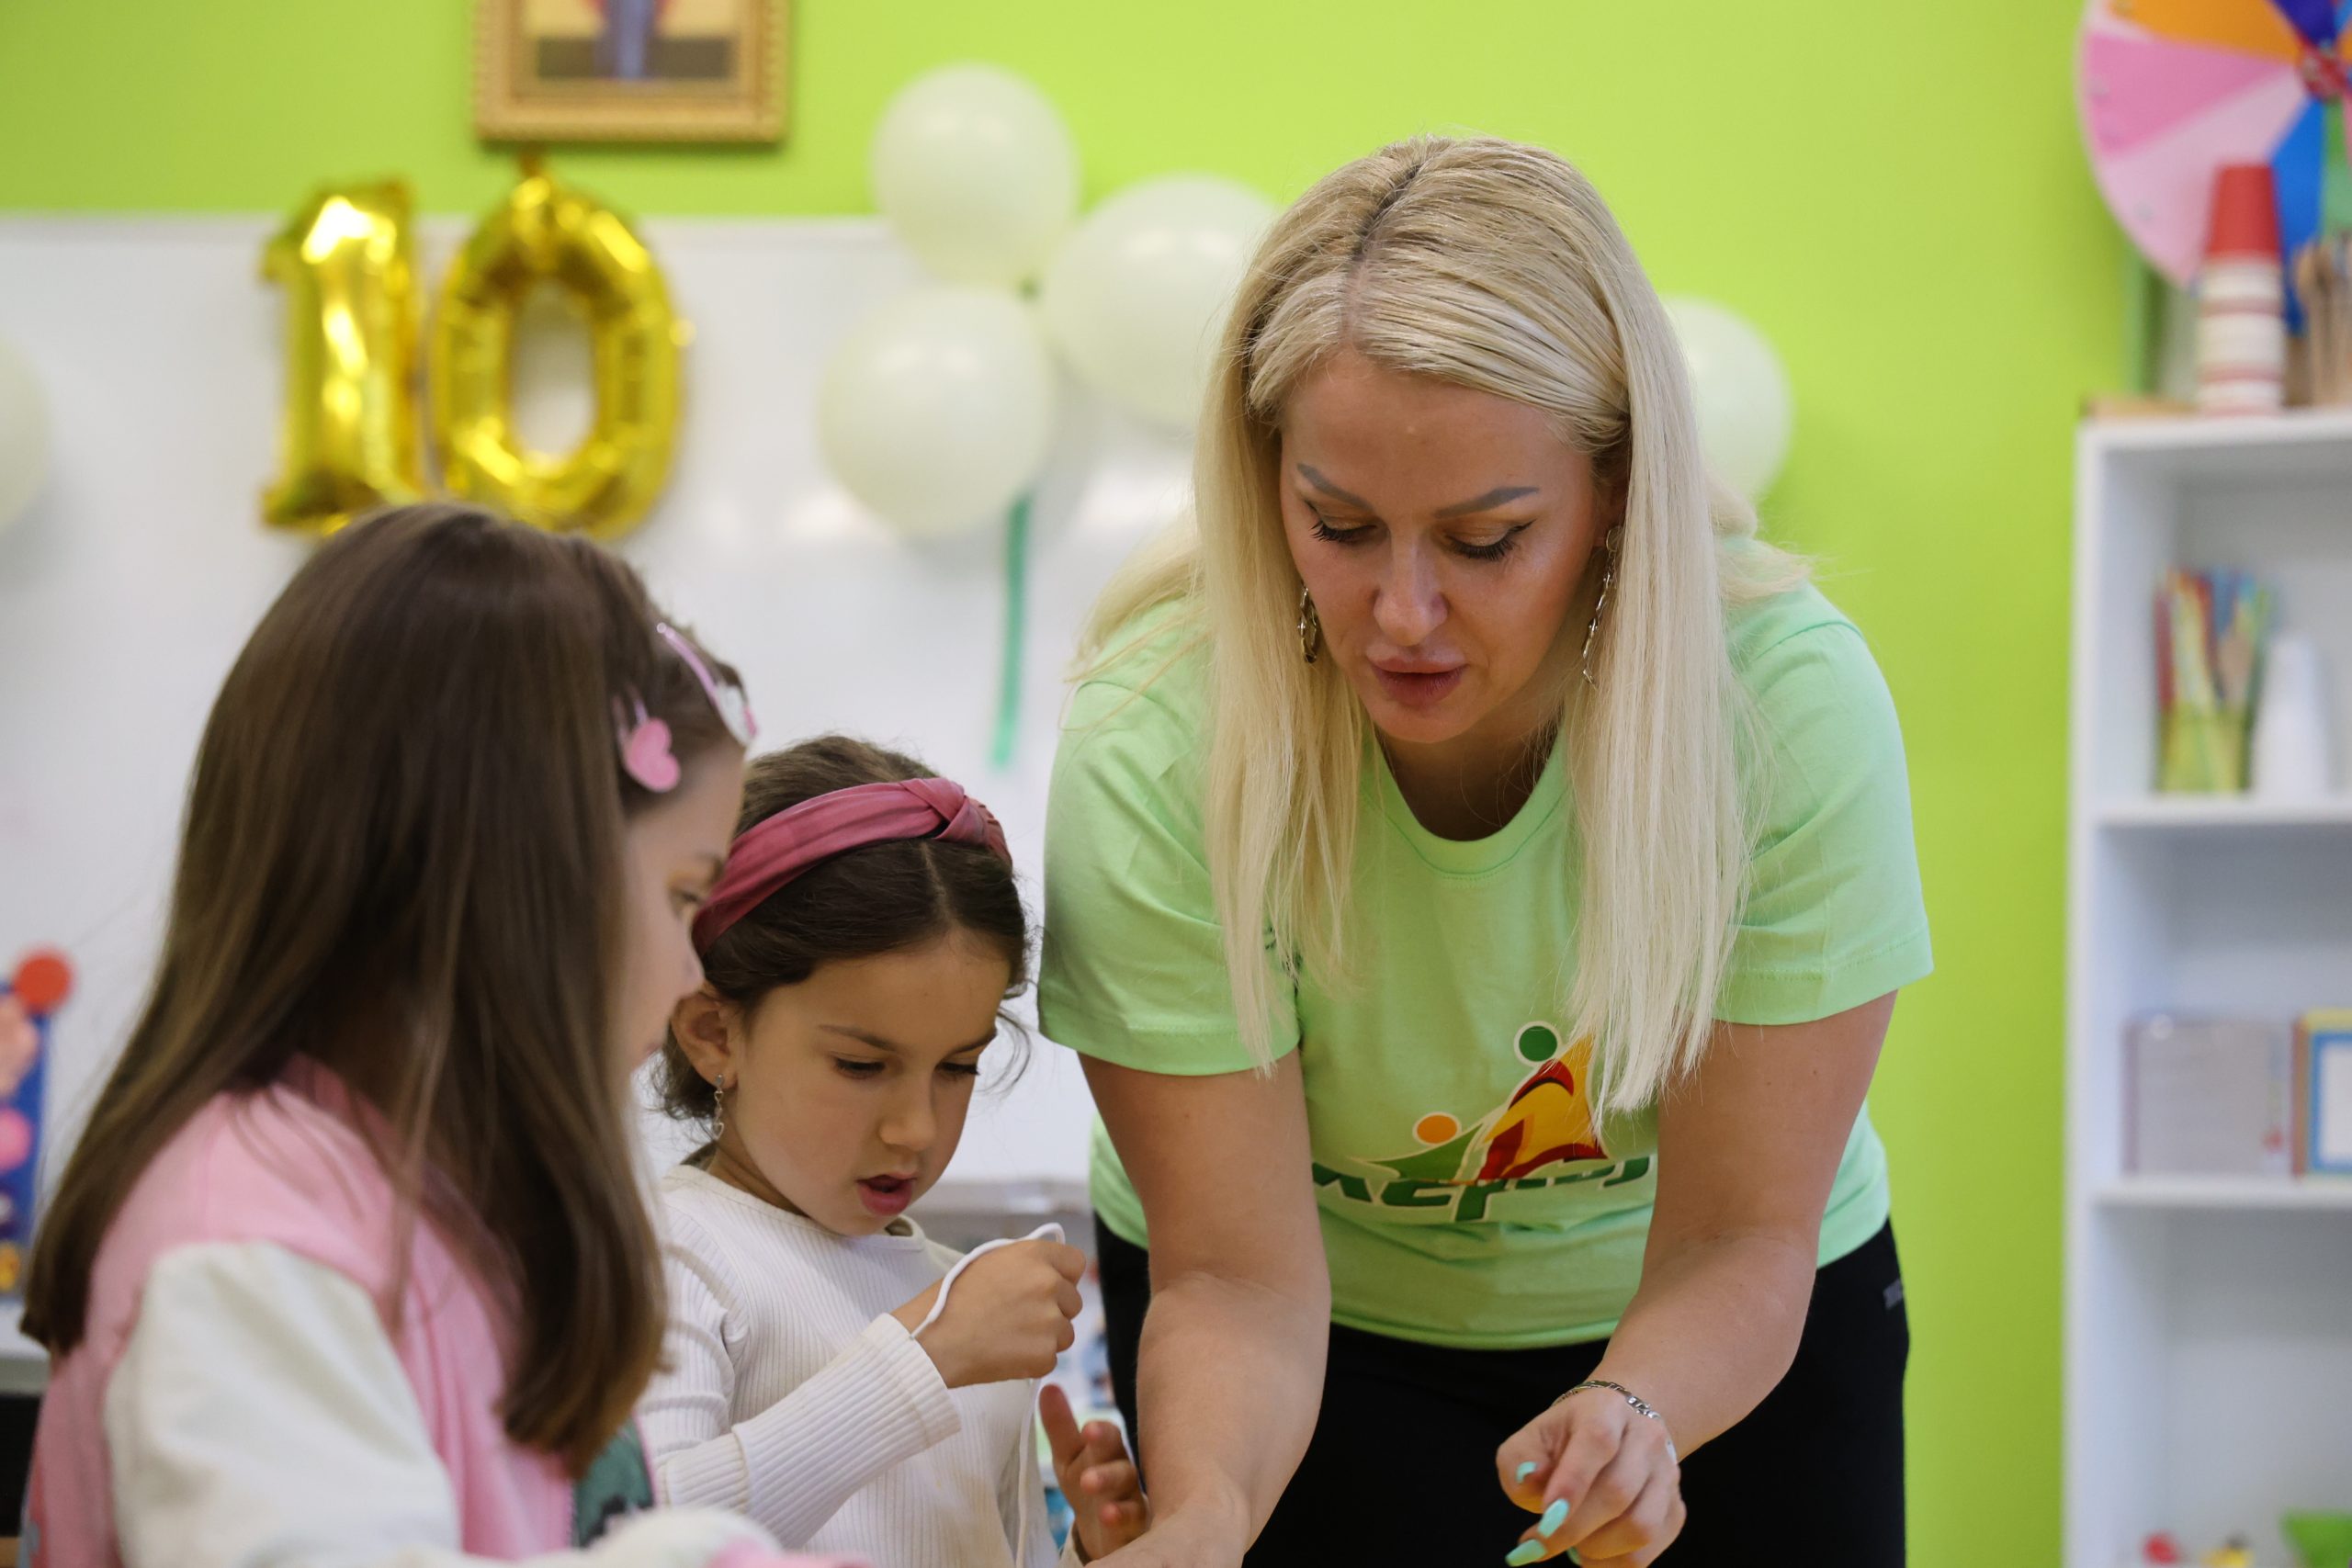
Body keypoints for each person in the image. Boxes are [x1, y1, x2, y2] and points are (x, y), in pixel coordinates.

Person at [1040, 136, 1930, 1568]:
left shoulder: (1784, 707)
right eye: (1339, 525)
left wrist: (1635, 1409)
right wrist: (1202, 1524)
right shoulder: (1159, 735)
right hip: (1296, 1335)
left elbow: (1738, 1238)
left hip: (1724, 1320)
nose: (1402, 612)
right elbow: (1235, 1279)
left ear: (1617, 489)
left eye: (1486, 539)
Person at [20, 503, 851, 1568]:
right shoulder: (249, 1244)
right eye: (682, 895)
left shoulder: (425, 1198)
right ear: (517, 885)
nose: (692, 972)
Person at [642, 738, 1148, 1567]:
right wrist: (925, 1357)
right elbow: (637, 1535)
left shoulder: (954, 1297)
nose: (915, 1128)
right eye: (860, 1065)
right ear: (712, 1032)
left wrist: (1089, 1554)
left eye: (957, 1066)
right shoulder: (665, 1253)